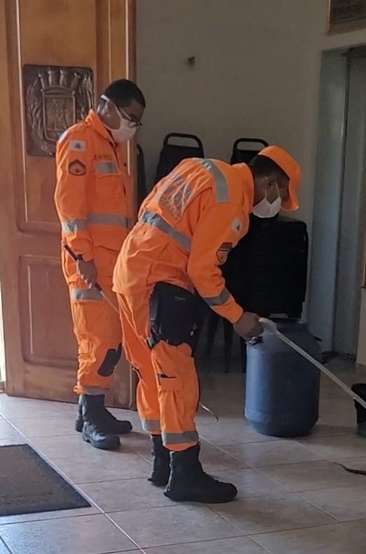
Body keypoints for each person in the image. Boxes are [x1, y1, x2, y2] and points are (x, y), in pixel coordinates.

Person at [112, 146, 301, 504]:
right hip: (161, 284)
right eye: (281, 195)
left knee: (151, 373)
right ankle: (185, 473)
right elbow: (203, 270)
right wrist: (237, 316)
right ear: (271, 182)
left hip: (132, 268)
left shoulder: (200, 167)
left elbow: (148, 211)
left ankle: (162, 462)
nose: (276, 205)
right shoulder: (233, 202)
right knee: (177, 377)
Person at [54, 79, 145, 451]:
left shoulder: (111, 147)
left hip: (113, 263)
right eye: (130, 117)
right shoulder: (79, 142)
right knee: (99, 341)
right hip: (88, 263)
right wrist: (84, 258)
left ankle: (91, 408)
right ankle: (92, 416)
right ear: (106, 106)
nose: (133, 126)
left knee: (113, 339)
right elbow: (70, 207)